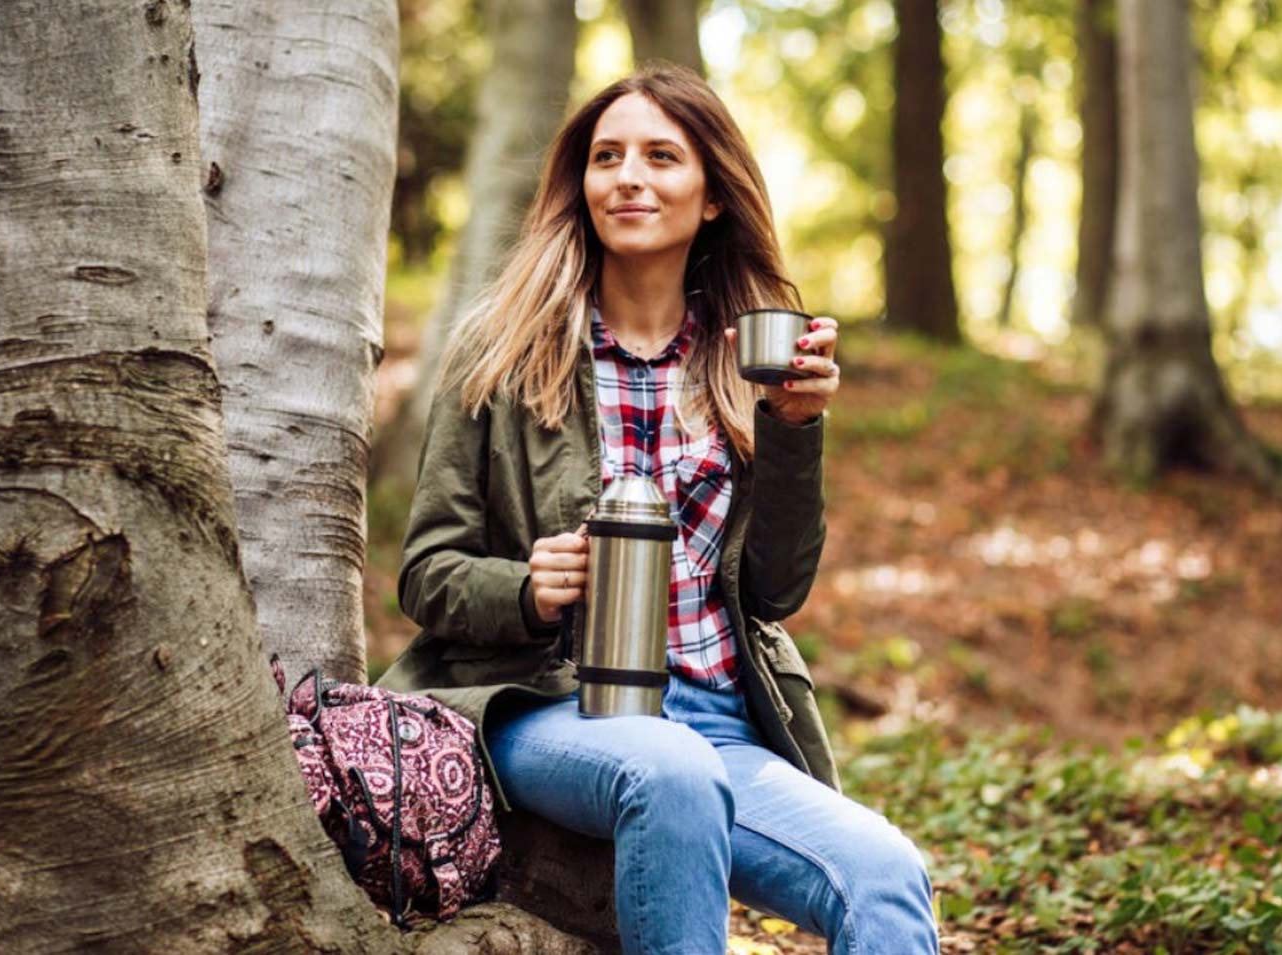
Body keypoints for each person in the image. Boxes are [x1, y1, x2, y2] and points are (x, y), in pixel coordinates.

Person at [375, 63, 940, 955]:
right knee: (669, 771)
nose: (629, 176)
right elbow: (427, 570)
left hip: (718, 720)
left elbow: (777, 589)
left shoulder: (744, 359)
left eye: (661, 157)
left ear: (712, 195)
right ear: (583, 184)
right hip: (550, 706)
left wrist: (795, 429)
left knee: (885, 873)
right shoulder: (504, 348)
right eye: (607, 157)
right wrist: (528, 587)